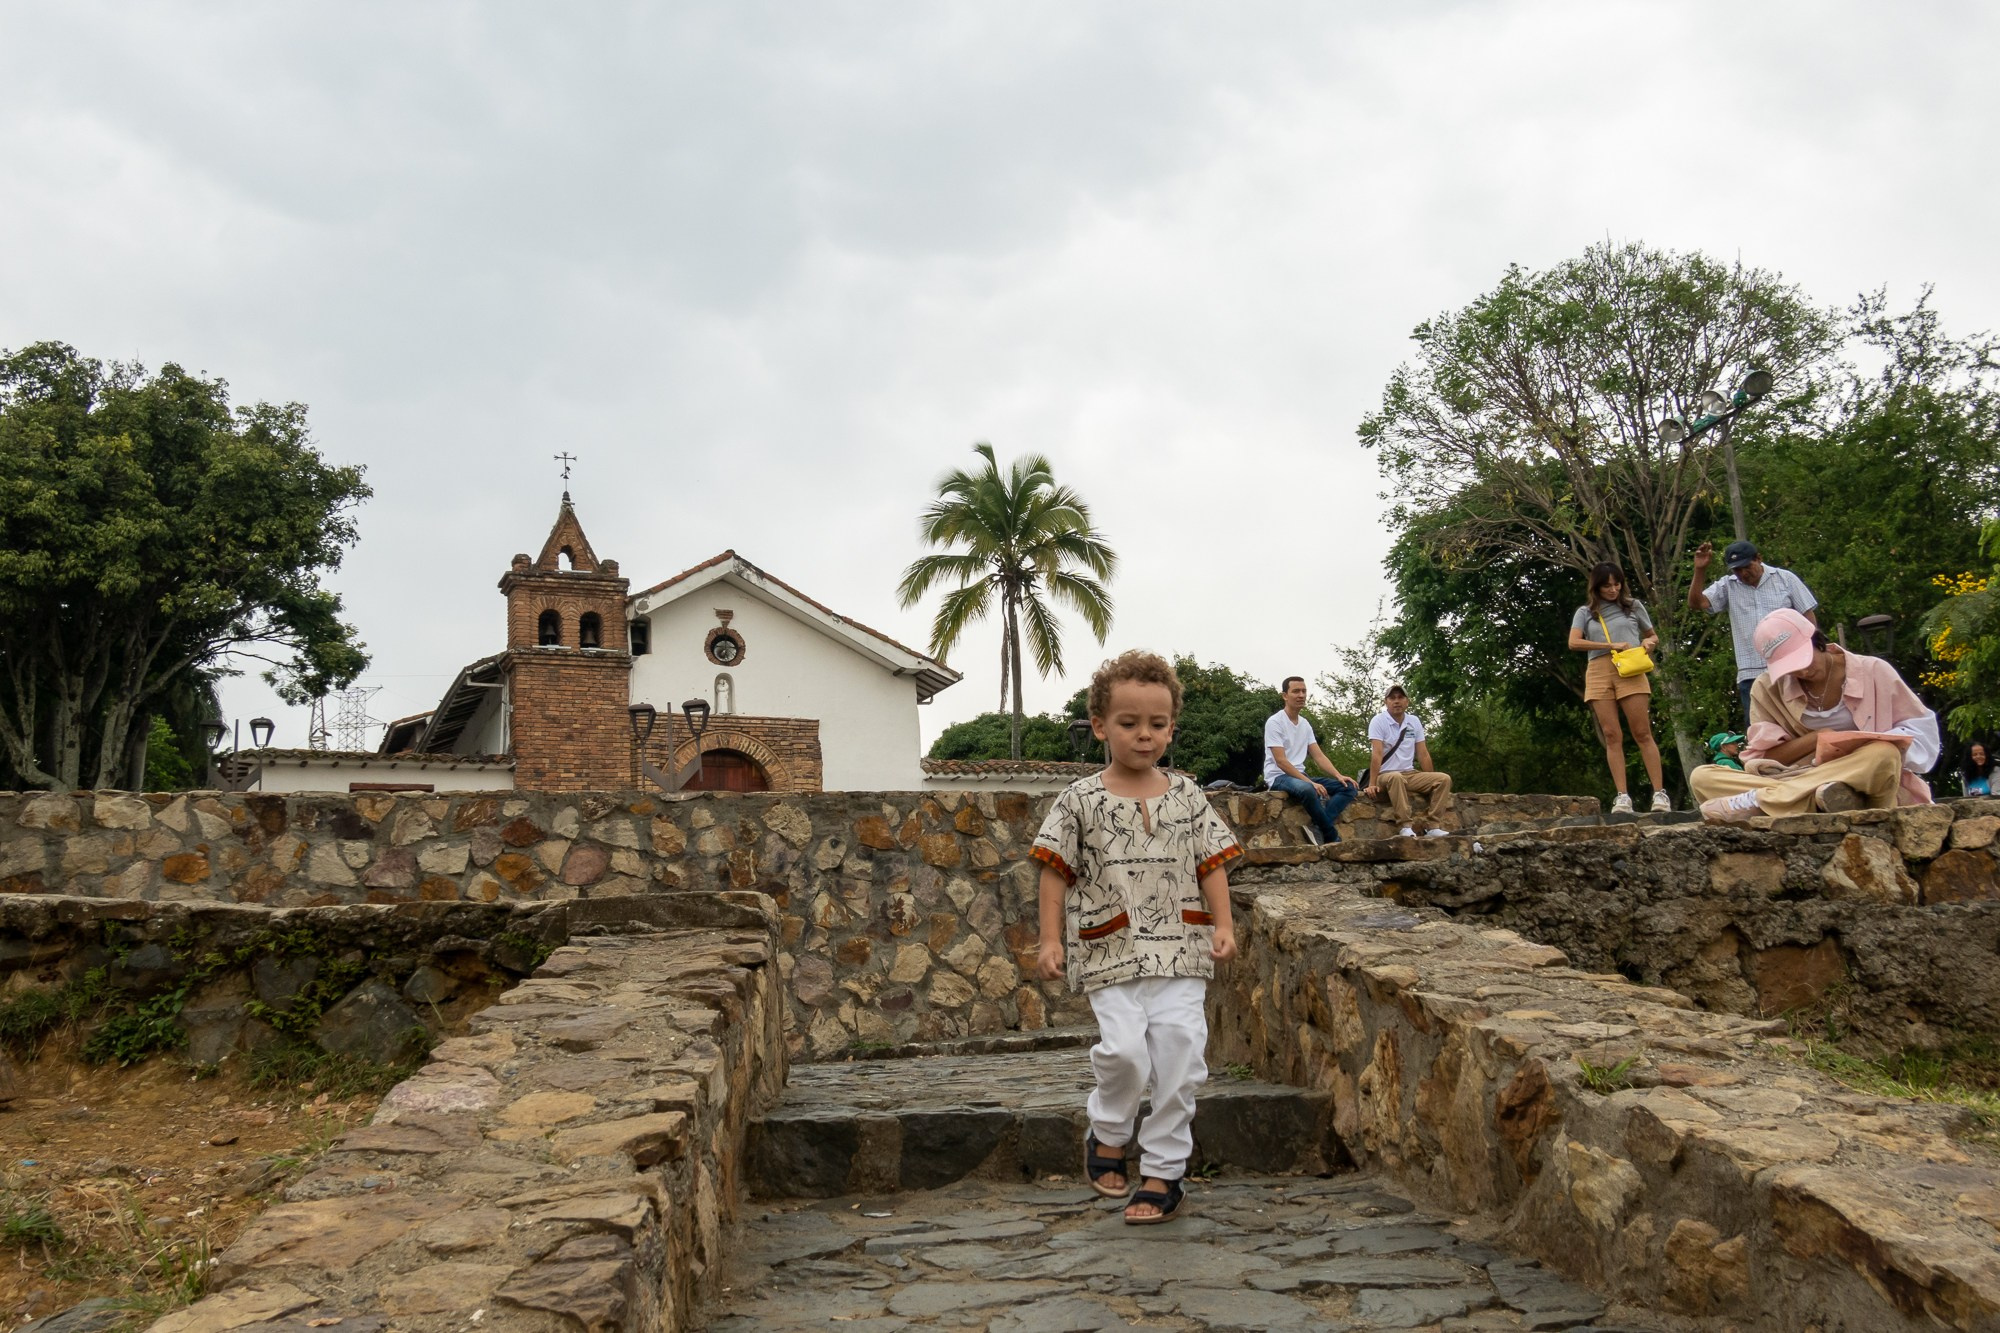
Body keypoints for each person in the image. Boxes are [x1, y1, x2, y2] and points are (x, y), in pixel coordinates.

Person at [1033, 650, 1240, 1226]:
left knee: (1180, 1058)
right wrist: (1050, 940)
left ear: (1172, 727)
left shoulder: (1189, 797)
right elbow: (1054, 871)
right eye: (1129, 723)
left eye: (1157, 724)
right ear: (1100, 724)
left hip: (1183, 950)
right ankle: (1108, 1130)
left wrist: (1223, 924)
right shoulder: (1077, 801)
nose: (1144, 736)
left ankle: (1164, 1171)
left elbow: (1213, 864)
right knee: (1124, 1054)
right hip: (1109, 951)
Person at [1689, 608, 1939, 821]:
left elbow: (1922, 738)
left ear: (1816, 640)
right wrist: (1818, 738)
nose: (1803, 672)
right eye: (1792, 668)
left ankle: (1764, 799)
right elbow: (1766, 756)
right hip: (1800, 774)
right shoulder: (1767, 688)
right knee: (1702, 777)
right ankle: (1816, 797)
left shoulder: (1873, 670)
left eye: (1804, 660)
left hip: (1865, 780)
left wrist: (1861, 744)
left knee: (1884, 754)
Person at [1567, 562, 1671, 815]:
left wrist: (1649, 642)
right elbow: (1573, 642)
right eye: (1607, 585)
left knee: (1642, 732)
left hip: (1630, 668)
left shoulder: (1634, 606)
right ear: (1596, 586)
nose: (1613, 589)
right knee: (1612, 735)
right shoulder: (1585, 612)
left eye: (1617, 584)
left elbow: (1653, 635)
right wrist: (1611, 643)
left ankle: (1659, 793)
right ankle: (1622, 796)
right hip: (1599, 669)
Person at [1687, 539, 1819, 726]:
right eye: (1736, 570)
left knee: (1802, 722)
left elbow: (1808, 619)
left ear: (1758, 559)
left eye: (1746, 567)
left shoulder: (1785, 579)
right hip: (1751, 674)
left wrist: (1813, 655)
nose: (1742, 573)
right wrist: (1700, 569)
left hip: (1791, 668)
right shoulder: (1728, 585)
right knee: (1760, 732)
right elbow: (1696, 603)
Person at [1263, 676, 1359, 845]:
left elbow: (1318, 756)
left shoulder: (1305, 724)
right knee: (1308, 789)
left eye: (1304, 691)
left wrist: (1339, 775)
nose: (1301, 695)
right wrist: (1310, 783)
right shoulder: (1275, 722)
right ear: (1285, 695)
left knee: (1349, 787)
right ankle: (1331, 835)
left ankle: (1317, 827)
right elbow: (1281, 762)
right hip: (1279, 777)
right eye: (1296, 691)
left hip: (1300, 776)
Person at [1364, 686, 1454, 837]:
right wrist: (1372, 784)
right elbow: (1377, 753)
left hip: (1409, 773)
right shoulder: (1378, 721)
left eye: (1400, 697)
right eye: (1392, 698)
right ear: (1386, 702)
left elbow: (1423, 753)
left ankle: (1433, 826)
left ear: (1407, 701)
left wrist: (1429, 779)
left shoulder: (1414, 721)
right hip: (1385, 775)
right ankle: (1405, 826)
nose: (1397, 701)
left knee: (1443, 779)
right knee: (1395, 777)